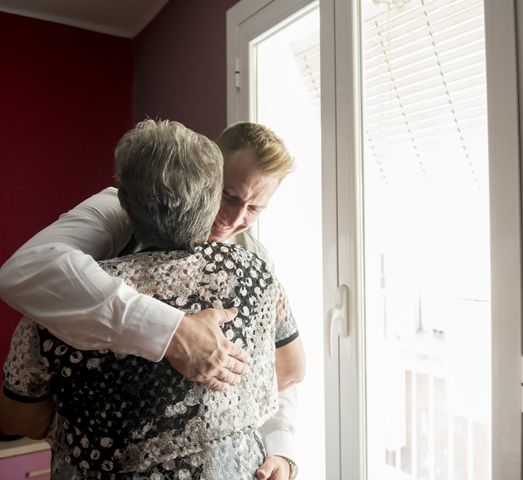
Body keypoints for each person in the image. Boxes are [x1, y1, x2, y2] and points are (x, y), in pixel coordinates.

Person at [0, 119, 303, 479]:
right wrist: (174, 333)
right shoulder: (118, 211)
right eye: (230, 195)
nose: (236, 218)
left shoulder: (255, 261)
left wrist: (282, 450)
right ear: (208, 177)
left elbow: (285, 372)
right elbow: (26, 271)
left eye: (255, 209)